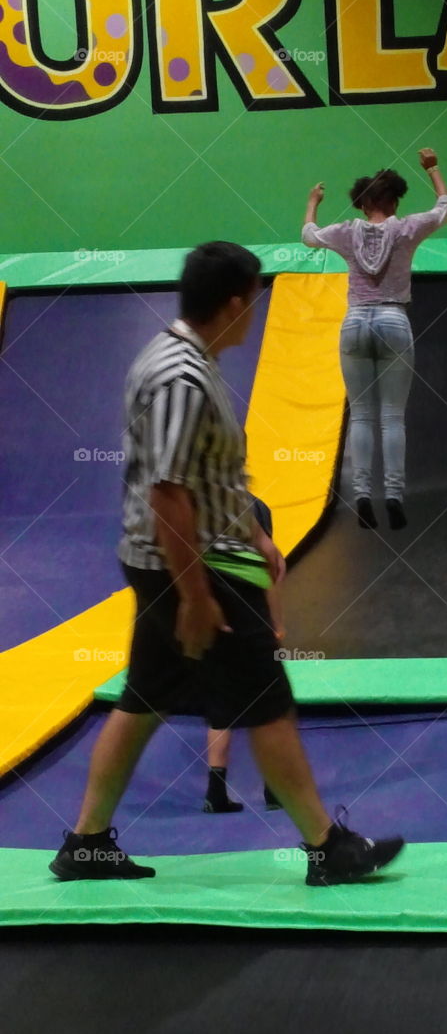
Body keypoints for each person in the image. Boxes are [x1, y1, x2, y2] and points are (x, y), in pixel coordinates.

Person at [50, 242, 403, 886]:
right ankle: (328, 849)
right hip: (192, 566)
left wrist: (257, 536)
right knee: (266, 701)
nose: (257, 310)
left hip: (177, 558)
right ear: (236, 303)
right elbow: (169, 495)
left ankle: (86, 842)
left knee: (145, 698)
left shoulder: (189, 358)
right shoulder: (181, 380)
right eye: (257, 298)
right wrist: (195, 597)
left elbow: (208, 475)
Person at [301, 149, 447, 531]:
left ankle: (362, 495)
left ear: (363, 202)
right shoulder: (407, 229)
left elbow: (308, 237)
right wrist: (432, 168)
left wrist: (313, 203)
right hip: (393, 321)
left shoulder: (346, 232)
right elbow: (445, 208)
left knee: (362, 415)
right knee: (392, 417)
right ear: (395, 200)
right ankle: (394, 496)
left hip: (354, 324)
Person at [203, 495, 283, 815]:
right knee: (267, 702)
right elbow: (271, 564)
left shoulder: (193, 502)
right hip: (249, 612)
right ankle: (275, 788)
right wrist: (276, 622)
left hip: (213, 614)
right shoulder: (254, 506)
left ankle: (215, 792)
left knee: (221, 708)